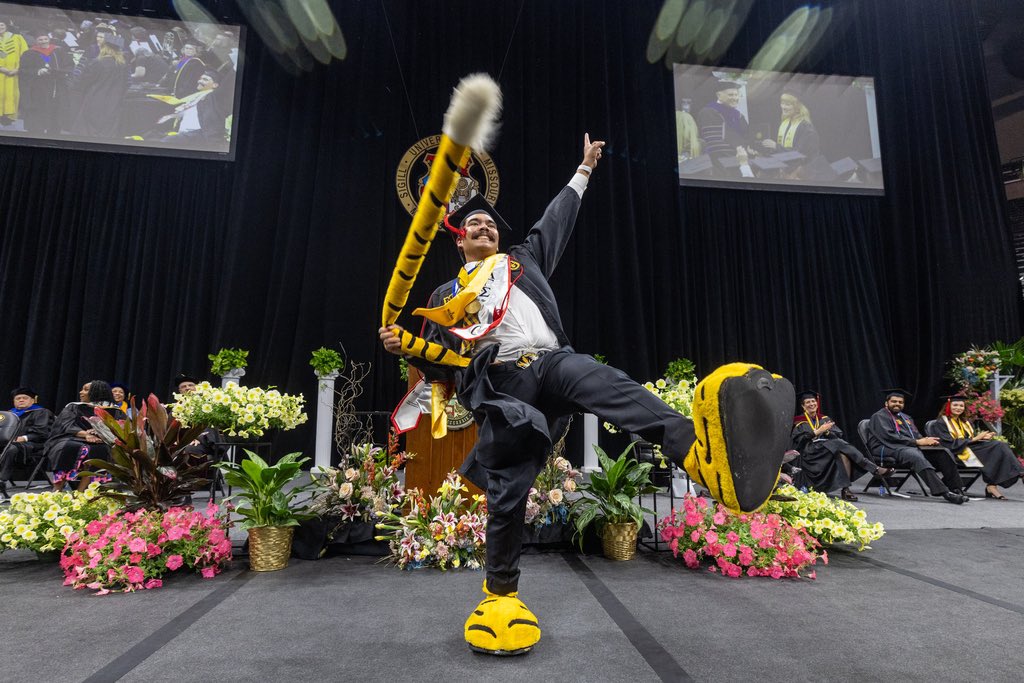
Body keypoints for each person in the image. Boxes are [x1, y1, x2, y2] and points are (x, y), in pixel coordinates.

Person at [380, 133, 792, 656]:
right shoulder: (442, 297)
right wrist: (405, 347)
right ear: (459, 240)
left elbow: (555, 220)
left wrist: (584, 170)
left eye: (489, 223)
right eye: (473, 225)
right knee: (508, 491)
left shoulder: (521, 264)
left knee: (606, 382)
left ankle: (701, 457)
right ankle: (499, 595)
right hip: (504, 386)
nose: (483, 226)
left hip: (551, 363)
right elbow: (437, 359)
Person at [866, 388, 969, 504]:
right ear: (887, 403)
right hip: (886, 447)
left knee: (942, 452)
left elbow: (916, 434)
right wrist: (917, 442)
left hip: (907, 446)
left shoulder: (906, 418)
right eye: (894, 401)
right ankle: (945, 493)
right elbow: (889, 437)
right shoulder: (879, 416)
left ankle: (956, 488)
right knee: (915, 456)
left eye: (900, 402)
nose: (897, 404)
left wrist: (926, 440)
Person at [791, 390, 891, 501]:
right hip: (810, 452)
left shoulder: (824, 419)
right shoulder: (799, 421)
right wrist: (817, 432)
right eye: (808, 402)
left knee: (843, 453)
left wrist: (827, 432)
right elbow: (798, 441)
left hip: (827, 450)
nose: (811, 404)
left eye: (813, 401)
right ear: (803, 406)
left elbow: (838, 434)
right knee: (838, 444)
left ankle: (846, 490)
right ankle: (874, 468)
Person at [930, 394, 1024, 500]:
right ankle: (1017, 474)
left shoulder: (966, 422)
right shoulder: (941, 423)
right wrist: (975, 439)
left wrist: (983, 438)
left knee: (1000, 446)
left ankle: (992, 486)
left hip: (969, 449)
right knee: (997, 447)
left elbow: (969, 439)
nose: (958, 408)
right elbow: (948, 443)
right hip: (955, 453)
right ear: (948, 406)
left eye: (961, 406)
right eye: (955, 405)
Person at [43, 380, 125, 490]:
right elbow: (66, 425)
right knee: (68, 447)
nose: (81, 392)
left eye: (86, 390)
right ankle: (57, 490)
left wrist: (101, 434)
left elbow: (121, 428)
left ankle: (81, 493)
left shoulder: (115, 410)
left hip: (102, 441)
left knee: (99, 451)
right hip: (72, 437)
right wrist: (86, 434)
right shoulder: (74, 407)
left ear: (96, 392)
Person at [0, 387, 55, 499]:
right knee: (9, 446)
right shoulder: (9, 414)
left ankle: (2, 480)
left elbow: (43, 433)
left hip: (33, 444)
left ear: (33, 400)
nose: (21, 400)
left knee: (11, 448)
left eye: (24, 398)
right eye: (18, 398)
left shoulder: (41, 412)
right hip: (7, 442)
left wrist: (24, 438)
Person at [70, 37, 129, 137]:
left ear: (104, 48)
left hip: (95, 100)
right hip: (114, 102)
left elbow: (83, 82)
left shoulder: (98, 63)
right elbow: (126, 84)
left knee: (89, 131)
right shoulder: (122, 64)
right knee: (108, 132)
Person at [18, 31, 71, 135]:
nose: (43, 42)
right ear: (36, 41)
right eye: (40, 40)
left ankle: (54, 132)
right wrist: (38, 71)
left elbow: (69, 66)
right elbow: (23, 70)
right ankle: (37, 133)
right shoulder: (29, 53)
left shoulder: (58, 51)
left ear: (49, 39)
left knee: (55, 110)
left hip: (56, 88)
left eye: (45, 39)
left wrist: (57, 71)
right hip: (37, 90)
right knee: (38, 112)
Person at [696, 80, 754, 173]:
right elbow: (716, 146)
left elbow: (747, 138)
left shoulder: (739, 116)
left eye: (736, 95)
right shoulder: (708, 113)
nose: (735, 98)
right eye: (730, 95)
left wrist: (750, 150)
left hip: (741, 162)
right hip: (720, 166)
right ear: (719, 95)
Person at [159, 70, 228, 143]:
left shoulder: (213, 98)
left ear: (215, 85)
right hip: (183, 134)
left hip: (197, 135)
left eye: (205, 79)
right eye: (200, 78)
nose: (199, 81)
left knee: (166, 142)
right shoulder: (196, 96)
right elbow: (187, 111)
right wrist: (172, 116)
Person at [0, 20, 28, 125]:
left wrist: (18, 69)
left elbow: (25, 55)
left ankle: (9, 116)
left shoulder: (18, 38)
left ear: (6, 26)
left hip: (15, 73)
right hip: (0, 72)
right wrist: (1, 68)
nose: (0, 27)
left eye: (2, 24)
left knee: (12, 94)